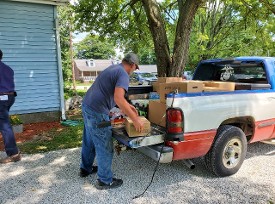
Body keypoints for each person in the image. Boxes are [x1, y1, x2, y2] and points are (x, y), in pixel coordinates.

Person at [80, 53, 144, 190]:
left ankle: (85, 168)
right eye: (135, 68)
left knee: (90, 139)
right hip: (96, 110)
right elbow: (119, 99)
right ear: (132, 65)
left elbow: (112, 94)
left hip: (87, 105)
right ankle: (105, 180)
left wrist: (128, 105)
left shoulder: (114, 68)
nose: (134, 71)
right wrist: (135, 119)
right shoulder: (123, 74)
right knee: (104, 145)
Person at [0, 49, 21, 163]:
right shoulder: (8, 69)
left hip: (1, 99)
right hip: (10, 97)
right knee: (3, 123)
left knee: (4, 125)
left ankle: (13, 154)